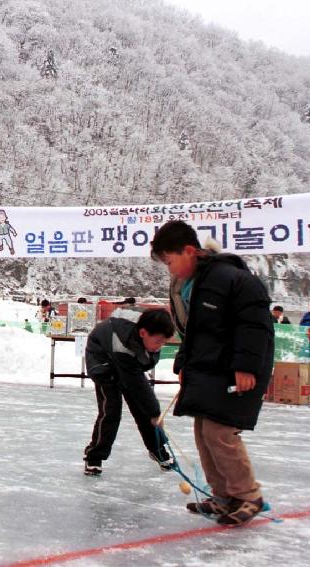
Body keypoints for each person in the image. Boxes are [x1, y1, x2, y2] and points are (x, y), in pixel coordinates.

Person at [151, 220, 274, 526]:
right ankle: (223, 495)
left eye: (170, 261)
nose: (169, 269)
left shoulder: (230, 278)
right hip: (208, 369)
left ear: (189, 251)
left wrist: (246, 366)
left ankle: (247, 495)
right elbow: (196, 331)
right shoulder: (195, 284)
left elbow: (254, 323)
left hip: (233, 370)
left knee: (220, 432)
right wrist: (183, 363)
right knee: (204, 432)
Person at [82, 309, 176, 476]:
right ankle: (94, 455)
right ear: (143, 333)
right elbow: (137, 385)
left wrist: (153, 414)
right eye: (158, 342)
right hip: (102, 362)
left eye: (163, 343)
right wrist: (155, 413)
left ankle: (157, 450)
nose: (160, 347)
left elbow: (137, 381)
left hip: (127, 362)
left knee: (142, 409)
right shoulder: (123, 345)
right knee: (111, 409)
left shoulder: (146, 336)